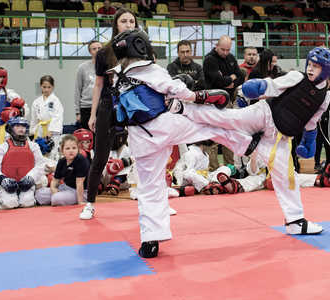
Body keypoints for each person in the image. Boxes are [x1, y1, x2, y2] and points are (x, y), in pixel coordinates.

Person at [108, 30, 256, 258]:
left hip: (139, 136)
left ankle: (150, 241)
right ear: (141, 47)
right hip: (165, 125)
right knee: (206, 128)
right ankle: (245, 144)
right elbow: (177, 90)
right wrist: (198, 97)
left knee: (149, 188)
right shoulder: (151, 69)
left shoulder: (116, 76)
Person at [174, 46, 330, 238]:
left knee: (287, 177)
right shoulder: (297, 77)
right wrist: (256, 88)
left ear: (326, 71)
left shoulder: (325, 97)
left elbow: (312, 121)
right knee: (228, 118)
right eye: (309, 64)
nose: (310, 69)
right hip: (265, 114)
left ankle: (295, 221)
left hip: (281, 138)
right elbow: (273, 86)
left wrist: (309, 141)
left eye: (316, 67)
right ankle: (183, 108)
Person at [79, 9, 138, 220]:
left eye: (132, 21)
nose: (128, 24)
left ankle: (155, 201)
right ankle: (90, 203)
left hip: (136, 106)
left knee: (148, 153)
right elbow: (98, 84)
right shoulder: (105, 52)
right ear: (116, 25)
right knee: (101, 156)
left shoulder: (142, 49)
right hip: (108, 105)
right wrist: (92, 115)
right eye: (124, 21)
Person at [202, 35, 246, 170]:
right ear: (216, 46)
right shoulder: (210, 60)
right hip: (214, 101)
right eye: (223, 50)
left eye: (228, 50)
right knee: (214, 136)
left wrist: (229, 81)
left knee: (229, 135)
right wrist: (229, 79)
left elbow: (241, 76)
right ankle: (213, 168)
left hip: (230, 99)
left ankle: (230, 167)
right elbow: (218, 80)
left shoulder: (231, 58)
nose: (225, 53)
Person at [0, 117, 47, 209]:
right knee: (9, 203)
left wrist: (31, 177)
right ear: (10, 129)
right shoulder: (3, 147)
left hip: (27, 183)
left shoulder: (34, 146)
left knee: (27, 203)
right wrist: (2, 179)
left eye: (23, 126)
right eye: (18, 126)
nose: (21, 129)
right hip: (8, 183)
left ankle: (29, 195)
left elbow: (40, 165)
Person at [35, 135, 90, 206]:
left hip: (80, 191)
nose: (71, 151)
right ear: (62, 150)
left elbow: (79, 183)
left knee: (56, 198)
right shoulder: (62, 161)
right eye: (67, 148)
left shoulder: (81, 160)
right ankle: (59, 198)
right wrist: (53, 189)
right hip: (65, 187)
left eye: (74, 148)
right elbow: (55, 180)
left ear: (78, 149)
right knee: (39, 194)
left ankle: (60, 199)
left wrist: (80, 202)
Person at [30, 75, 64, 161]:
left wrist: (51, 131)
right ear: (40, 86)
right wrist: (32, 131)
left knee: (52, 152)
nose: (46, 89)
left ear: (53, 87)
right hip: (40, 129)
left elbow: (58, 116)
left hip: (51, 131)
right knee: (38, 151)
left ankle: (52, 172)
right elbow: (34, 118)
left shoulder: (56, 101)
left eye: (49, 87)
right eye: (44, 87)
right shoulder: (36, 102)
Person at [75, 40, 103, 130]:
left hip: (102, 106)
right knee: (88, 137)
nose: (97, 50)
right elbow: (77, 90)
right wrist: (77, 112)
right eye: (94, 49)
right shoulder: (82, 68)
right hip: (86, 107)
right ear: (90, 52)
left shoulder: (108, 66)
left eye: (99, 48)